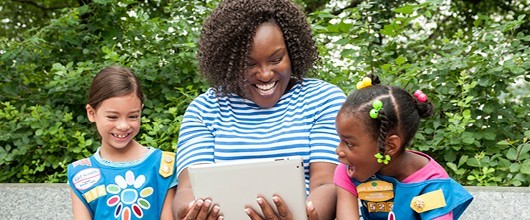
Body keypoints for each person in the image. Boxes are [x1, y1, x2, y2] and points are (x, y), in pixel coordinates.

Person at [172, 0, 346, 219]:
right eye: (249, 64)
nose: (265, 74)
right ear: (229, 62)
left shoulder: (323, 100)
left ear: (292, 52)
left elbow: (327, 183)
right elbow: (188, 189)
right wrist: (191, 212)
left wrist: (306, 215)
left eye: (276, 59)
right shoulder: (204, 110)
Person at [334, 74, 473, 220]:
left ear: (389, 146)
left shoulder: (431, 184)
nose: (338, 151)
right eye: (340, 140)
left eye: (349, 143)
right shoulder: (349, 171)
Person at [67, 66, 177, 220]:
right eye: (112, 117)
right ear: (91, 113)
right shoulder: (79, 173)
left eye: (132, 116)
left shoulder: (163, 166)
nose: (123, 126)